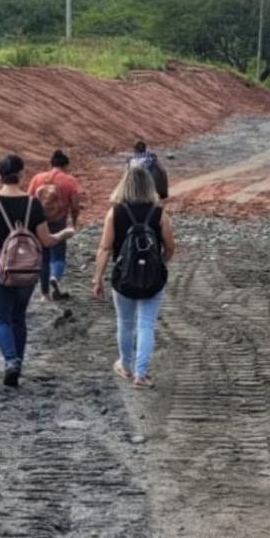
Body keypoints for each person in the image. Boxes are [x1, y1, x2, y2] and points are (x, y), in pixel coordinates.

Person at [0, 154, 76, 387]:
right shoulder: (32, 204)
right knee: (19, 317)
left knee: (0, 318)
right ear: (20, 174)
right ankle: (17, 362)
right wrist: (64, 234)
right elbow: (46, 240)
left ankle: (10, 361)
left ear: (0, 174)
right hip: (27, 269)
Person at [91, 166, 176, 389]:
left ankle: (125, 365)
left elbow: (105, 247)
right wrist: (160, 264)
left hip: (123, 279)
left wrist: (97, 278)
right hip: (152, 279)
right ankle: (141, 374)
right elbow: (170, 247)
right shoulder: (159, 213)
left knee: (125, 323)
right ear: (150, 187)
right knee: (146, 324)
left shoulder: (115, 212)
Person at [27, 149, 83, 301]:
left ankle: (45, 294)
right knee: (58, 256)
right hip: (59, 222)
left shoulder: (37, 178)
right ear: (65, 166)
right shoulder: (70, 181)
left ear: (51, 164)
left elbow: (29, 200)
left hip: (39, 223)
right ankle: (55, 277)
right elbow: (75, 205)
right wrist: (74, 221)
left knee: (43, 258)